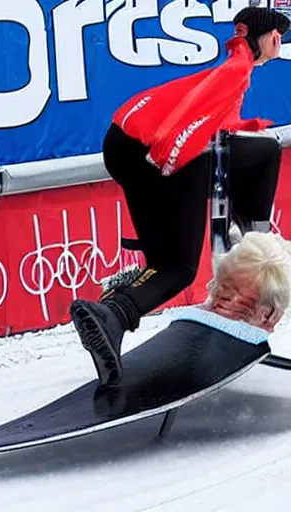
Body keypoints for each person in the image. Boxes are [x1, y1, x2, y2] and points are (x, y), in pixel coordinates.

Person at [69, 7, 291, 388]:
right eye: (279, 35)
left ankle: (109, 316)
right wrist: (169, 159)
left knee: (166, 265)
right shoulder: (238, 67)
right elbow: (189, 118)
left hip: (122, 143)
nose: (280, 42)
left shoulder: (236, 65)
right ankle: (256, 242)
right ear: (268, 36)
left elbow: (208, 115)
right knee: (267, 151)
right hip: (154, 150)